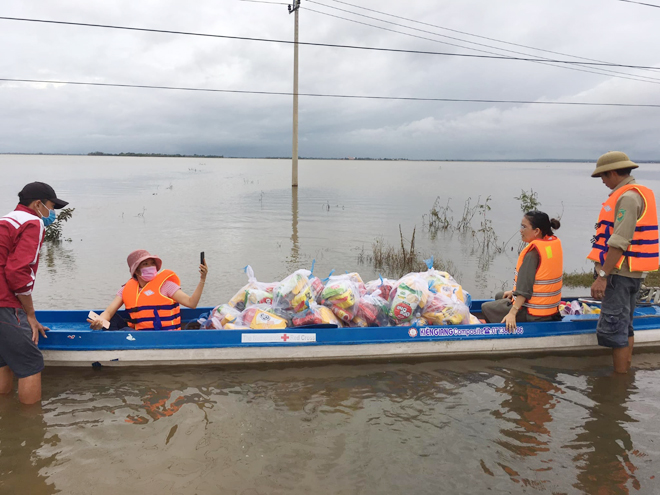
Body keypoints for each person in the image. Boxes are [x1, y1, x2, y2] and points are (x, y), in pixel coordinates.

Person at [587, 151, 659, 374]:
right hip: (631, 275)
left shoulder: (627, 197)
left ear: (612, 172)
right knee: (625, 327)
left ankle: (618, 385)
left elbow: (619, 241)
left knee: (615, 331)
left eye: (604, 176)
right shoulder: (640, 193)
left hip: (618, 275)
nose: (603, 181)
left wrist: (602, 276)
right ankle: (624, 379)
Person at [0, 182, 69, 405]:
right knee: (30, 362)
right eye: (51, 206)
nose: (52, 213)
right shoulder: (33, 222)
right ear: (38, 204)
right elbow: (18, 273)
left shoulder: (5, 220)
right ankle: (31, 428)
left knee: (3, 360)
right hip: (5, 303)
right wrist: (30, 315)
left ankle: (8, 419)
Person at [482, 211, 563, 331]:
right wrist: (513, 291)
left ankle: (499, 333)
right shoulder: (550, 245)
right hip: (549, 311)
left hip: (533, 315)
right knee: (500, 295)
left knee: (486, 307)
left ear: (536, 231)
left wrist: (512, 313)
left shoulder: (532, 255)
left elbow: (524, 290)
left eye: (524, 227)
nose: (520, 230)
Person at [88, 249, 208, 331]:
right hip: (138, 334)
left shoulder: (166, 285)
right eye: (145, 264)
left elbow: (192, 303)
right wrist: (100, 321)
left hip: (164, 335)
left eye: (152, 263)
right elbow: (108, 312)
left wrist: (202, 279)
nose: (150, 267)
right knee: (113, 318)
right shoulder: (126, 289)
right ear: (136, 271)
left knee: (123, 330)